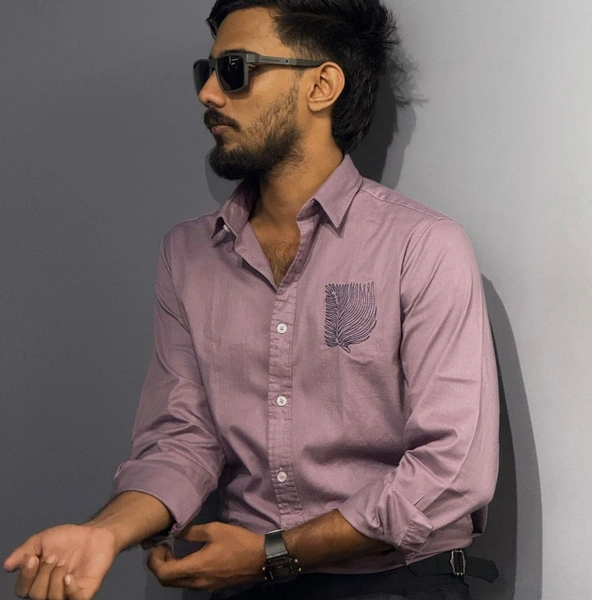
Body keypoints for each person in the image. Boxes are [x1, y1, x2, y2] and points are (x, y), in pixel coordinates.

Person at [4, 1, 500, 599]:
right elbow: (182, 440)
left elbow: (452, 471)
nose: (208, 93)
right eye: (206, 71)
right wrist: (102, 535)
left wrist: (274, 555)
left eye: (235, 70)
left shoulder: (421, 245)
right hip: (243, 585)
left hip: (395, 582)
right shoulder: (188, 254)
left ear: (322, 85)